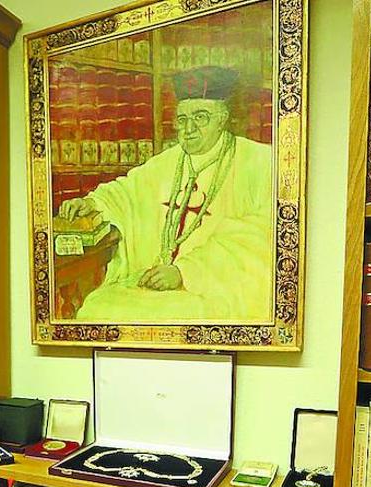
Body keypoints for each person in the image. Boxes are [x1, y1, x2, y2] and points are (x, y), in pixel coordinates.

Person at [59, 65, 273, 322]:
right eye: (182, 119)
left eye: (200, 117)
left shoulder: (260, 161)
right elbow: (130, 191)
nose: (189, 129)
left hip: (210, 288)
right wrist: (93, 202)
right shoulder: (170, 161)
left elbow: (259, 236)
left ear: (223, 118)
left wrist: (185, 272)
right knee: (97, 306)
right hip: (155, 278)